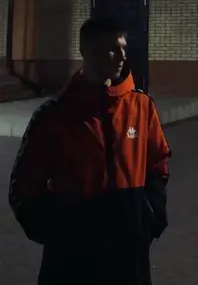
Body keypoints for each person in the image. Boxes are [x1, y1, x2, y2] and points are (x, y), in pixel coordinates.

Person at [9, 16, 171, 285]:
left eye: (123, 48)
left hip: (129, 255)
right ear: (87, 52)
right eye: (112, 49)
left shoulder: (141, 107)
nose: (122, 57)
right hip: (72, 262)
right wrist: (62, 231)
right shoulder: (54, 115)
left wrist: (149, 214)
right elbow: (24, 188)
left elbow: (157, 166)